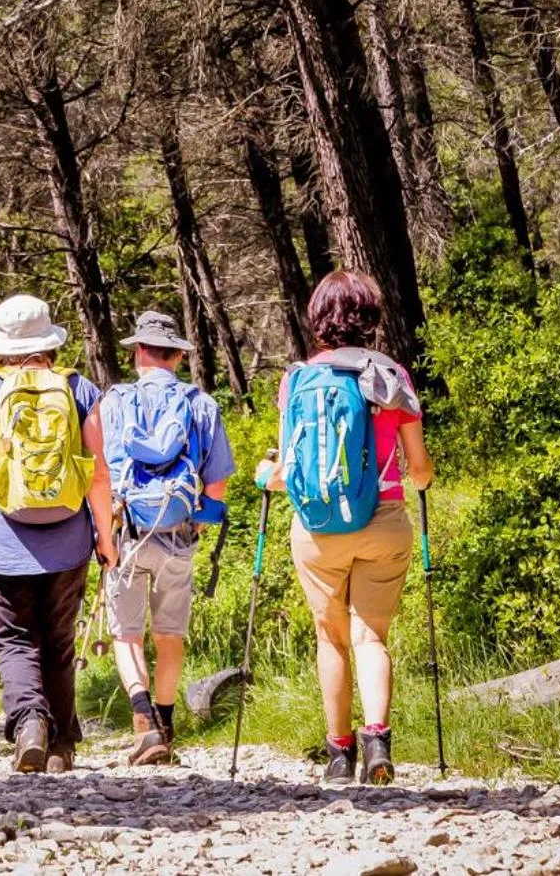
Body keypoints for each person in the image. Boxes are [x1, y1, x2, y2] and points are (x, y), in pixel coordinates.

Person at [256, 270, 433, 786]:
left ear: (319, 319)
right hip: (384, 521)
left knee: (330, 638)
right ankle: (378, 738)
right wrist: (412, 473)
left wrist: (266, 476)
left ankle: (339, 754)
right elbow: (419, 469)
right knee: (370, 635)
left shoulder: (297, 380)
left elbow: (287, 470)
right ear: (371, 317)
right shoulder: (393, 376)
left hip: (316, 527)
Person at [0, 294, 118, 774]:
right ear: (49, 342)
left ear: (5, 346)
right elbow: (98, 474)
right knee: (58, 640)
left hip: (3, 541)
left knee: (14, 639)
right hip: (67, 541)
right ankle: (61, 746)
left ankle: (30, 724)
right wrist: (106, 536)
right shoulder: (79, 387)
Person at [98, 310, 234, 765]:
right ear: (178, 355)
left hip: (125, 533)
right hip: (179, 534)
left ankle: (143, 723)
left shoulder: (113, 402)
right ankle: (166, 721)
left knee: (127, 634)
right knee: (170, 633)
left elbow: (99, 474)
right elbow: (216, 490)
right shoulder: (201, 404)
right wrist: (194, 513)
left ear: (138, 352)